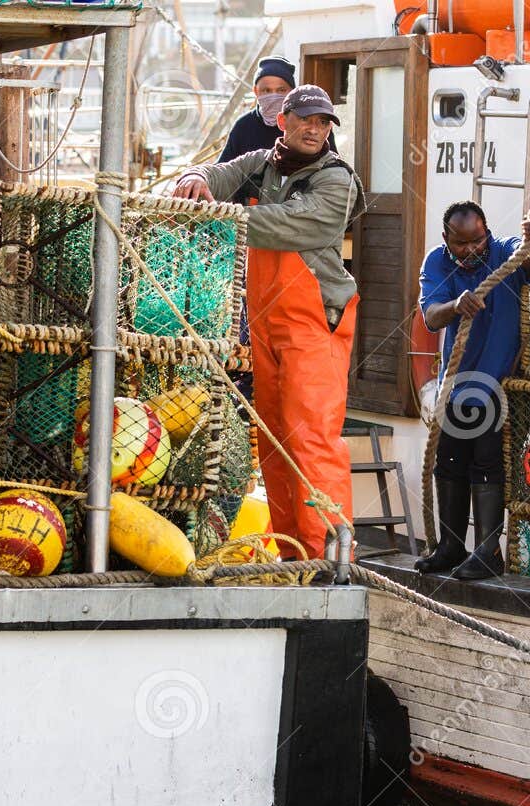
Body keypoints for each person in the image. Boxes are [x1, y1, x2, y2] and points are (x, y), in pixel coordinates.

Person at [173, 85, 361, 561]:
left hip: (315, 322)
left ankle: (328, 557)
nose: (315, 130)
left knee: (313, 437)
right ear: (284, 121)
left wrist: (220, 214)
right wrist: (195, 178)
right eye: (306, 121)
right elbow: (218, 172)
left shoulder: (337, 180)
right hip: (267, 324)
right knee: (274, 442)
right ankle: (292, 552)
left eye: (323, 123)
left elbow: (293, 223)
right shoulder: (259, 163)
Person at [417, 201, 530, 580]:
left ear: (487, 233)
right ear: (446, 239)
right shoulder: (436, 262)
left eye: (477, 240)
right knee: (448, 461)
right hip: (457, 383)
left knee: (486, 464)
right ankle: (449, 546)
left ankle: (487, 552)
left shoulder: (504, 251)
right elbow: (430, 316)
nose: (472, 250)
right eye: (462, 244)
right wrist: (455, 306)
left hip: (498, 383)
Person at [217, 56, 335, 163]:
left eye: (281, 90)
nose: (273, 96)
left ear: (292, 92)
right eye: (267, 91)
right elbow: (222, 170)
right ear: (256, 91)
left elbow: (333, 166)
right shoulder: (243, 126)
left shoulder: (313, 125)